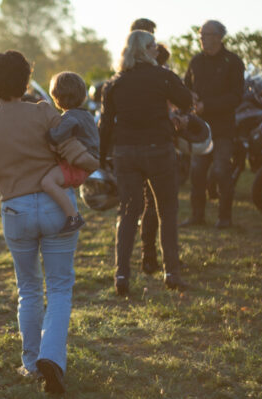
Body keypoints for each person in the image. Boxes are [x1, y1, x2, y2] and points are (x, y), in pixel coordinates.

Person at [0, 50, 98, 394]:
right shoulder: (44, 112)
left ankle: (31, 363)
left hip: (15, 212)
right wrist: (98, 165)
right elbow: (75, 152)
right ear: (26, 81)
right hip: (56, 208)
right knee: (59, 288)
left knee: (28, 290)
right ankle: (52, 358)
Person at [99, 30, 192, 296]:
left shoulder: (115, 83)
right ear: (144, 49)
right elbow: (186, 100)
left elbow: (105, 125)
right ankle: (171, 272)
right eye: (152, 45)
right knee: (167, 210)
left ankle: (121, 275)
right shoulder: (163, 76)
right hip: (159, 149)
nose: (157, 49)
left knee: (128, 212)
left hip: (125, 152)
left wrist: (101, 159)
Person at [181, 20, 245, 229]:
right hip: (199, 130)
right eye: (200, 35)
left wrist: (206, 106)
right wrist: (188, 96)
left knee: (221, 171)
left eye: (205, 35)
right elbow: (185, 87)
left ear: (218, 37)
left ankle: (224, 218)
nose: (201, 39)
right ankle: (197, 216)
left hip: (223, 129)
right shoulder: (196, 61)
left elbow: (236, 97)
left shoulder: (233, 61)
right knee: (197, 173)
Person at [41, 71, 99, 234]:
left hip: (79, 165)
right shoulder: (87, 115)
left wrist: (48, 134)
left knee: (48, 182)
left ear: (57, 98)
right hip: (88, 162)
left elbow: (57, 136)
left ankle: (73, 216)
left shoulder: (70, 117)